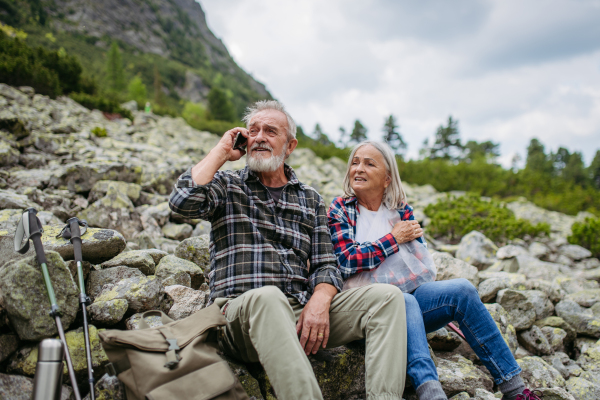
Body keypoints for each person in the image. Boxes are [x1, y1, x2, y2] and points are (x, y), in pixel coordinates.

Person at [169, 101, 408, 400]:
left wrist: (320, 300)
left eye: (270, 131)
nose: (259, 137)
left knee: (387, 298)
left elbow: (326, 265)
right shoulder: (226, 185)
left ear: (290, 145)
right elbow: (181, 202)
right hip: (238, 313)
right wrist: (221, 152)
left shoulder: (309, 198)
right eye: (252, 131)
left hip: (296, 310)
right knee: (269, 298)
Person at [327, 141, 541, 400]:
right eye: (355, 162)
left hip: (409, 305)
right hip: (363, 316)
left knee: (461, 289)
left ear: (387, 179)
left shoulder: (400, 210)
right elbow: (345, 261)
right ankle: (430, 391)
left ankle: (515, 389)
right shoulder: (341, 209)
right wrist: (393, 239)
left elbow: (418, 269)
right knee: (401, 299)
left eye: (369, 163)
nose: (358, 169)